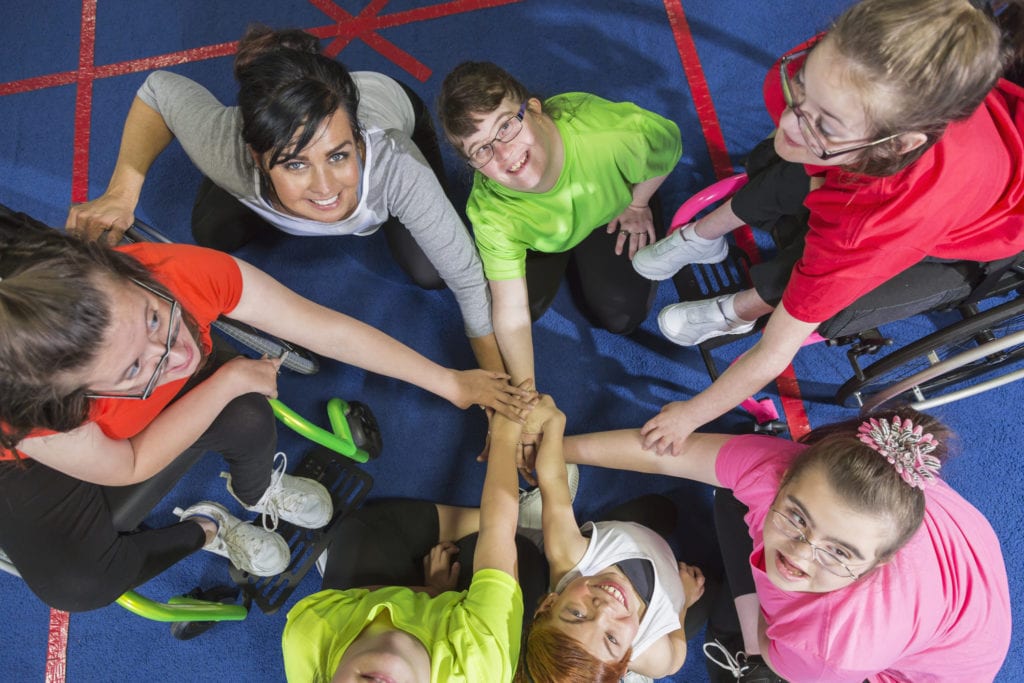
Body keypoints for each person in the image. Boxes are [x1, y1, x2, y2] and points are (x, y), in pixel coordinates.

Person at [0, 207, 529, 612]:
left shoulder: (177, 273)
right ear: (69, 398)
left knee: (250, 410)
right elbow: (127, 464)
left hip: (110, 429)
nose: (180, 353)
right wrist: (226, 376)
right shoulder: (38, 408)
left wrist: (449, 382)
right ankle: (209, 528)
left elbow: (325, 328)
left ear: (119, 271)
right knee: (80, 584)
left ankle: (255, 489)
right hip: (39, 465)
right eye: (134, 369)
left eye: (155, 319)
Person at [632, 0, 1024, 455]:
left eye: (824, 123)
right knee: (795, 162)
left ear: (898, 144)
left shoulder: (875, 221)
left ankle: (741, 310)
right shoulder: (841, 68)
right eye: (801, 92)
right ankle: (703, 237)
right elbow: (807, 127)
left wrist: (690, 415)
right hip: (930, 144)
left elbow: (776, 353)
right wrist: (818, 161)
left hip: (979, 222)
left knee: (816, 272)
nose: (788, 120)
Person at [64, 25, 505, 373]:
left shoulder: (396, 166)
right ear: (257, 156)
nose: (325, 187)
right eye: (295, 164)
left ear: (355, 140)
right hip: (253, 159)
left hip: (393, 112)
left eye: (338, 155)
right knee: (212, 232)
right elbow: (159, 90)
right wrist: (121, 193)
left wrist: (502, 397)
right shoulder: (227, 148)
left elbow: (467, 278)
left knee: (431, 272)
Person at [561, 410, 1012, 682]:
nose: (798, 553)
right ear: (785, 477)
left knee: (755, 649)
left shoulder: (836, 644)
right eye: (796, 518)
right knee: (726, 500)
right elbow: (664, 451)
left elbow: (773, 652)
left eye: (838, 551)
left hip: (942, 660)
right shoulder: (781, 470)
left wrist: (764, 646)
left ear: (878, 565)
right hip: (958, 559)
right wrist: (557, 448)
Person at [437, 61, 682, 398]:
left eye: (506, 126)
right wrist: (528, 395)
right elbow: (510, 310)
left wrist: (638, 202)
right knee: (519, 314)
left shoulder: (612, 136)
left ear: (534, 110)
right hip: (545, 241)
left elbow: (669, 147)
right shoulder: (490, 209)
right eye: (482, 149)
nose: (505, 154)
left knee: (621, 317)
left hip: (609, 212)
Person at [282, 407, 532, 683]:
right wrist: (506, 432)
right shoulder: (482, 666)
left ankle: (484, 522)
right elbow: (499, 530)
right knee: (519, 552)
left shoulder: (309, 634)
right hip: (464, 626)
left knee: (357, 530)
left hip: (368, 609)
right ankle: (525, 518)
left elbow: (356, 597)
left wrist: (431, 591)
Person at [516, 395, 706, 682]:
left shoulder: (567, 556)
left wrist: (555, 422)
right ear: (629, 657)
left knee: (662, 509)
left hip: (629, 531)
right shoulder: (653, 656)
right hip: (669, 583)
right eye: (612, 639)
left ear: (549, 603)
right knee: (712, 587)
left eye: (577, 615)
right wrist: (684, 605)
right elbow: (676, 659)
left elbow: (553, 483)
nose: (604, 609)